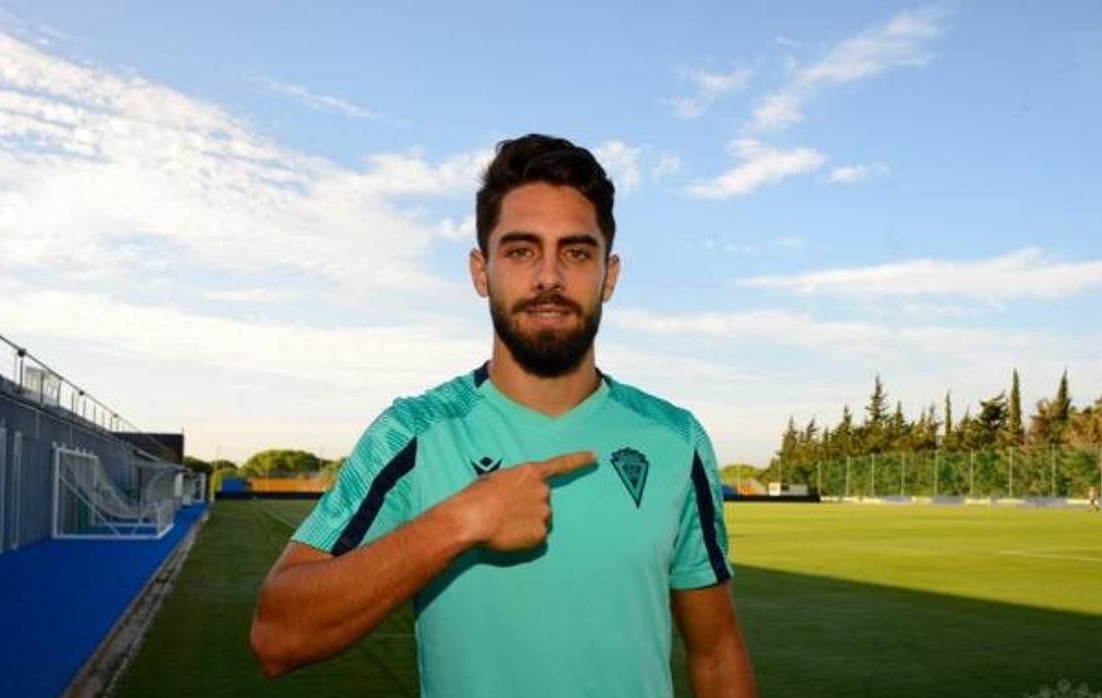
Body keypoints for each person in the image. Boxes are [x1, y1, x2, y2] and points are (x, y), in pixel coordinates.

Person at [251, 134, 757, 697]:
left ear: (608, 276)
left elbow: (715, 655)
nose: (549, 277)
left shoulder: (674, 439)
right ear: (480, 271)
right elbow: (277, 635)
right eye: (520, 251)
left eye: (576, 252)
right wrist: (459, 522)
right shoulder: (415, 433)